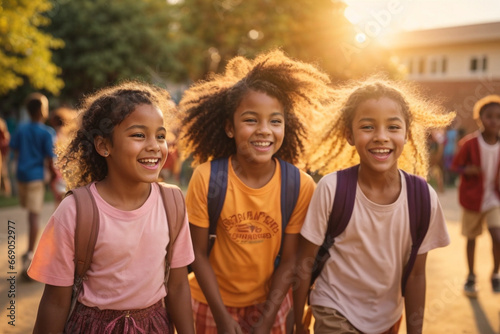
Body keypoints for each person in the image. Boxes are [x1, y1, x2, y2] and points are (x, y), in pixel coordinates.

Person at [178, 49, 331, 333]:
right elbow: (196, 254)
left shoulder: (299, 185)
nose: (264, 130)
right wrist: (222, 317)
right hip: (208, 303)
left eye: (275, 121)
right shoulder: (207, 178)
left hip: (268, 305)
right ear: (230, 128)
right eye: (251, 120)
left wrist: (266, 320)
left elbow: (290, 261)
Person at [28, 81, 195, 333]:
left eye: (160, 135)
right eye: (139, 135)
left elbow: (179, 286)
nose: (154, 145)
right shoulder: (75, 210)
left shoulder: (172, 202)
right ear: (104, 146)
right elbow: (54, 302)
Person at [294, 78, 455, 334]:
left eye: (393, 127)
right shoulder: (332, 188)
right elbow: (305, 259)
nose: (381, 137)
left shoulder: (423, 197)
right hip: (333, 307)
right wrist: (297, 320)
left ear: (407, 132)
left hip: (387, 317)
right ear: (349, 134)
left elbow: (415, 275)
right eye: (367, 126)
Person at [451, 94, 500, 297]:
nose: (494, 121)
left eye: (499, 117)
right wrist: (467, 170)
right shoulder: (469, 143)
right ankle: (471, 276)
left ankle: (495, 274)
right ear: (480, 119)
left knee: (497, 236)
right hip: (472, 199)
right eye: (489, 116)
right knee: (472, 238)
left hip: (493, 199)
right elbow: (454, 165)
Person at [9, 93, 57, 275]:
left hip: (22, 175)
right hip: (36, 176)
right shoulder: (47, 132)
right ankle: (30, 254)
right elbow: (50, 159)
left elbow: (13, 148)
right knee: (34, 215)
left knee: (30, 212)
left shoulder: (21, 129)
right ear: (42, 111)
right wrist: (53, 176)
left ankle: (28, 251)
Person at [48, 106, 78, 206]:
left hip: (58, 171)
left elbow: (52, 155)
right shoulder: (69, 135)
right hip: (69, 172)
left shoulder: (53, 135)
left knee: (59, 201)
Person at [0, 115, 11, 196]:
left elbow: (5, 139)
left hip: (2, 152)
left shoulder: (1, 123)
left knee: (4, 172)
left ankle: (6, 193)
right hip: (2, 151)